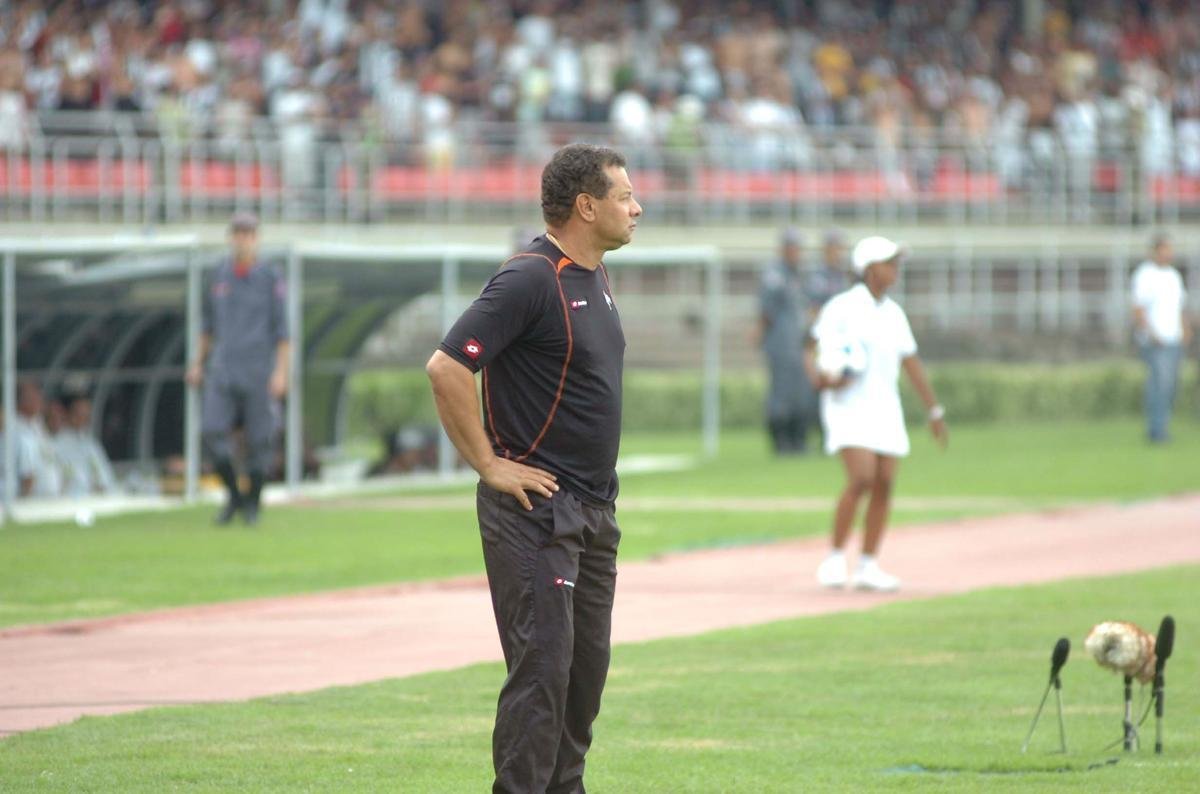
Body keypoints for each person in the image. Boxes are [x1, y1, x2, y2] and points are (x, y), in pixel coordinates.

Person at [426, 142, 640, 793]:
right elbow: (448, 366)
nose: (637, 206)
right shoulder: (530, 277)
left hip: (593, 515)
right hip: (536, 513)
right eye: (624, 195)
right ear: (586, 205)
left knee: (581, 683)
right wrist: (490, 464)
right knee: (542, 677)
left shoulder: (594, 275)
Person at [806, 236, 948, 592]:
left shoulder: (893, 313)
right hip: (848, 407)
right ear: (869, 268)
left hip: (886, 406)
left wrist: (933, 410)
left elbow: (910, 361)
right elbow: (815, 348)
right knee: (862, 478)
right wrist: (822, 380)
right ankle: (835, 558)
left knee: (885, 482)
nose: (895, 269)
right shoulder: (842, 307)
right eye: (889, 263)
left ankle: (868, 564)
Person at [185, 213, 289, 525]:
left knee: (260, 440)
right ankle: (233, 494)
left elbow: (283, 332)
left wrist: (281, 372)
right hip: (223, 368)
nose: (242, 239)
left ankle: (253, 505)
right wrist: (197, 363)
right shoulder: (218, 276)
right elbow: (207, 327)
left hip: (258, 368)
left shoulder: (270, 277)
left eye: (248, 233)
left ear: (256, 238)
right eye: (238, 233)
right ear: (231, 237)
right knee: (211, 431)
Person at [1131, 233, 1191, 444]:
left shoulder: (1173, 276)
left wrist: (1186, 330)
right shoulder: (1145, 275)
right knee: (1160, 383)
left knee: (1171, 385)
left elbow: (1180, 307)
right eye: (1164, 249)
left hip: (1174, 338)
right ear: (1155, 251)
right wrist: (1151, 333)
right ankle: (1156, 430)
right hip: (1155, 341)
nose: (1169, 253)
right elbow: (1138, 309)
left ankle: (1162, 425)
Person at [759, 227, 814, 454]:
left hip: (798, 345)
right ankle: (781, 442)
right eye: (793, 247)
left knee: (800, 394)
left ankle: (798, 441)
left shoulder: (798, 274)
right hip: (781, 345)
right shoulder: (775, 274)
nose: (796, 252)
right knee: (781, 394)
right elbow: (767, 311)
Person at [56, 395, 120, 497]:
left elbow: (105, 474)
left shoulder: (91, 443)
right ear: (68, 414)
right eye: (79, 413)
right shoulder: (58, 443)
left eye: (86, 414)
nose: (83, 418)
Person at [11, 381, 64, 498]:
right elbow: (26, 472)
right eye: (33, 397)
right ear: (21, 401)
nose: (39, 400)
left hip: (52, 497)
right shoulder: (14, 427)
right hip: (31, 499)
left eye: (39, 396)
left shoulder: (39, 425)